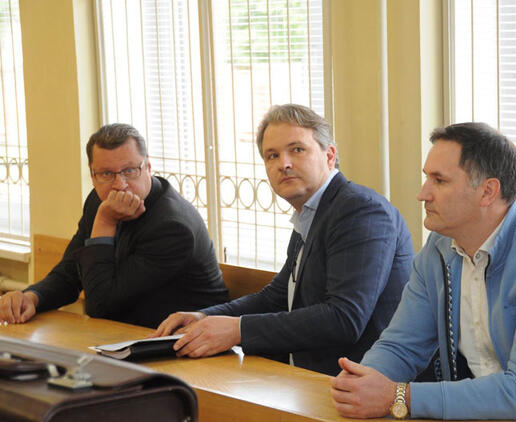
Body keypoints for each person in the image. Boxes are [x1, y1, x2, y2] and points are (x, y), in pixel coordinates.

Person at [330, 122, 516, 421]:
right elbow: (401, 346)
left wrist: (400, 396)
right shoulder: (440, 246)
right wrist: (362, 384)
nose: (422, 194)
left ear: (488, 191)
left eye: (439, 181)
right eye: (427, 178)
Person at [153, 104, 414, 376]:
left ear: (329, 156)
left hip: (367, 384)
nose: (283, 164)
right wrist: (204, 316)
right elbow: (277, 297)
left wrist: (237, 330)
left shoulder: (360, 211)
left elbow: (344, 318)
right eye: (272, 155)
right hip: (316, 377)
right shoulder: (313, 211)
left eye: (297, 150)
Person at [0, 123, 229, 328]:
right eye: (107, 174)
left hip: (186, 343)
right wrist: (31, 297)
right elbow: (71, 272)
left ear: (148, 167)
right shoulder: (99, 202)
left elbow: (101, 306)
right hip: (125, 335)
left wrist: (104, 222)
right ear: (93, 176)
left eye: (129, 171)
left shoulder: (172, 227)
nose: (120, 185)